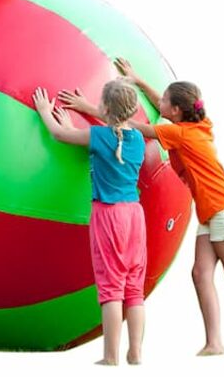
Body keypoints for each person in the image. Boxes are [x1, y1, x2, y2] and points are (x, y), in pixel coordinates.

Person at [59, 58, 224, 356]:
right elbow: (157, 106)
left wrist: (88, 108)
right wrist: (138, 80)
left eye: (166, 102)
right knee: (200, 274)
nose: (160, 104)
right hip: (213, 212)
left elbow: (128, 125)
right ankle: (214, 343)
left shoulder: (178, 133)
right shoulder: (198, 123)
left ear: (177, 111)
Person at [33, 80, 146, 365]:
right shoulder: (137, 139)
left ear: (105, 108)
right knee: (134, 289)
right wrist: (87, 113)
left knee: (111, 289)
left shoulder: (99, 136)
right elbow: (115, 131)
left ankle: (110, 357)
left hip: (110, 217)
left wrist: (45, 111)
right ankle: (135, 353)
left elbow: (60, 135)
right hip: (135, 215)